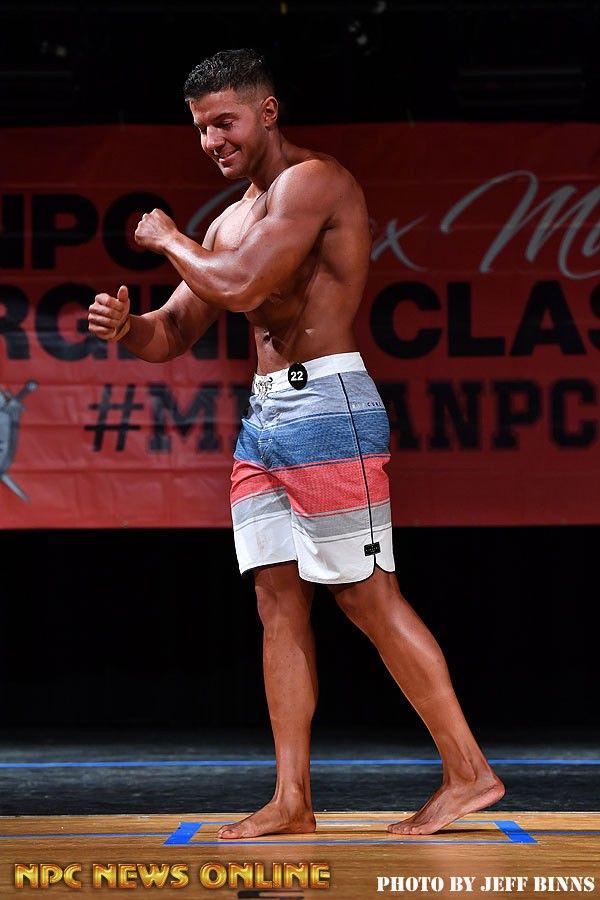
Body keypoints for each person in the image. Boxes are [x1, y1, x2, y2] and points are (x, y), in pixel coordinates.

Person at [87, 47, 505, 839]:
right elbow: (173, 332)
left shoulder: (314, 183)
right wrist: (127, 327)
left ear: (267, 112)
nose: (212, 140)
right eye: (201, 128)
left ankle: (468, 772)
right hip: (266, 419)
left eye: (225, 122)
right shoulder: (229, 220)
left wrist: (170, 238)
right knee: (276, 602)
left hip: (328, 406)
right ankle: (292, 800)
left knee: (366, 594)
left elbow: (242, 285)